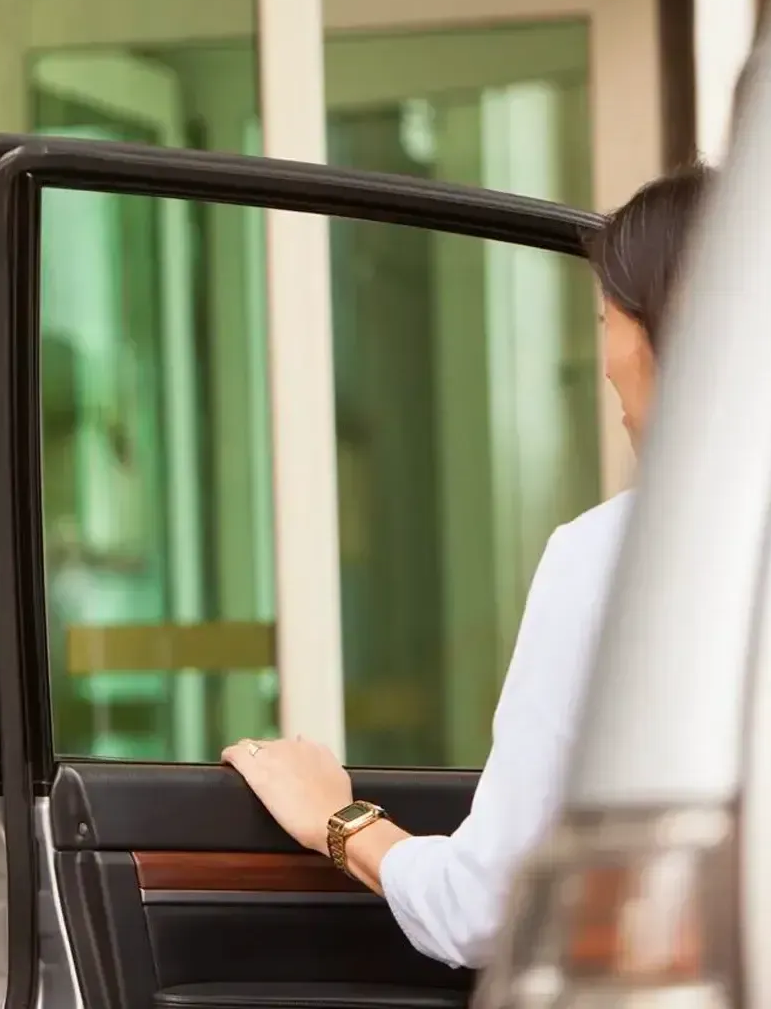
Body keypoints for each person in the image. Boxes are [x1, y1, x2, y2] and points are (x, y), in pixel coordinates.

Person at [218, 162, 714, 969]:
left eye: (605, 320)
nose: (608, 361)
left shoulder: (616, 557)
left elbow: (488, 912)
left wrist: (339, 823)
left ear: (665, 331)